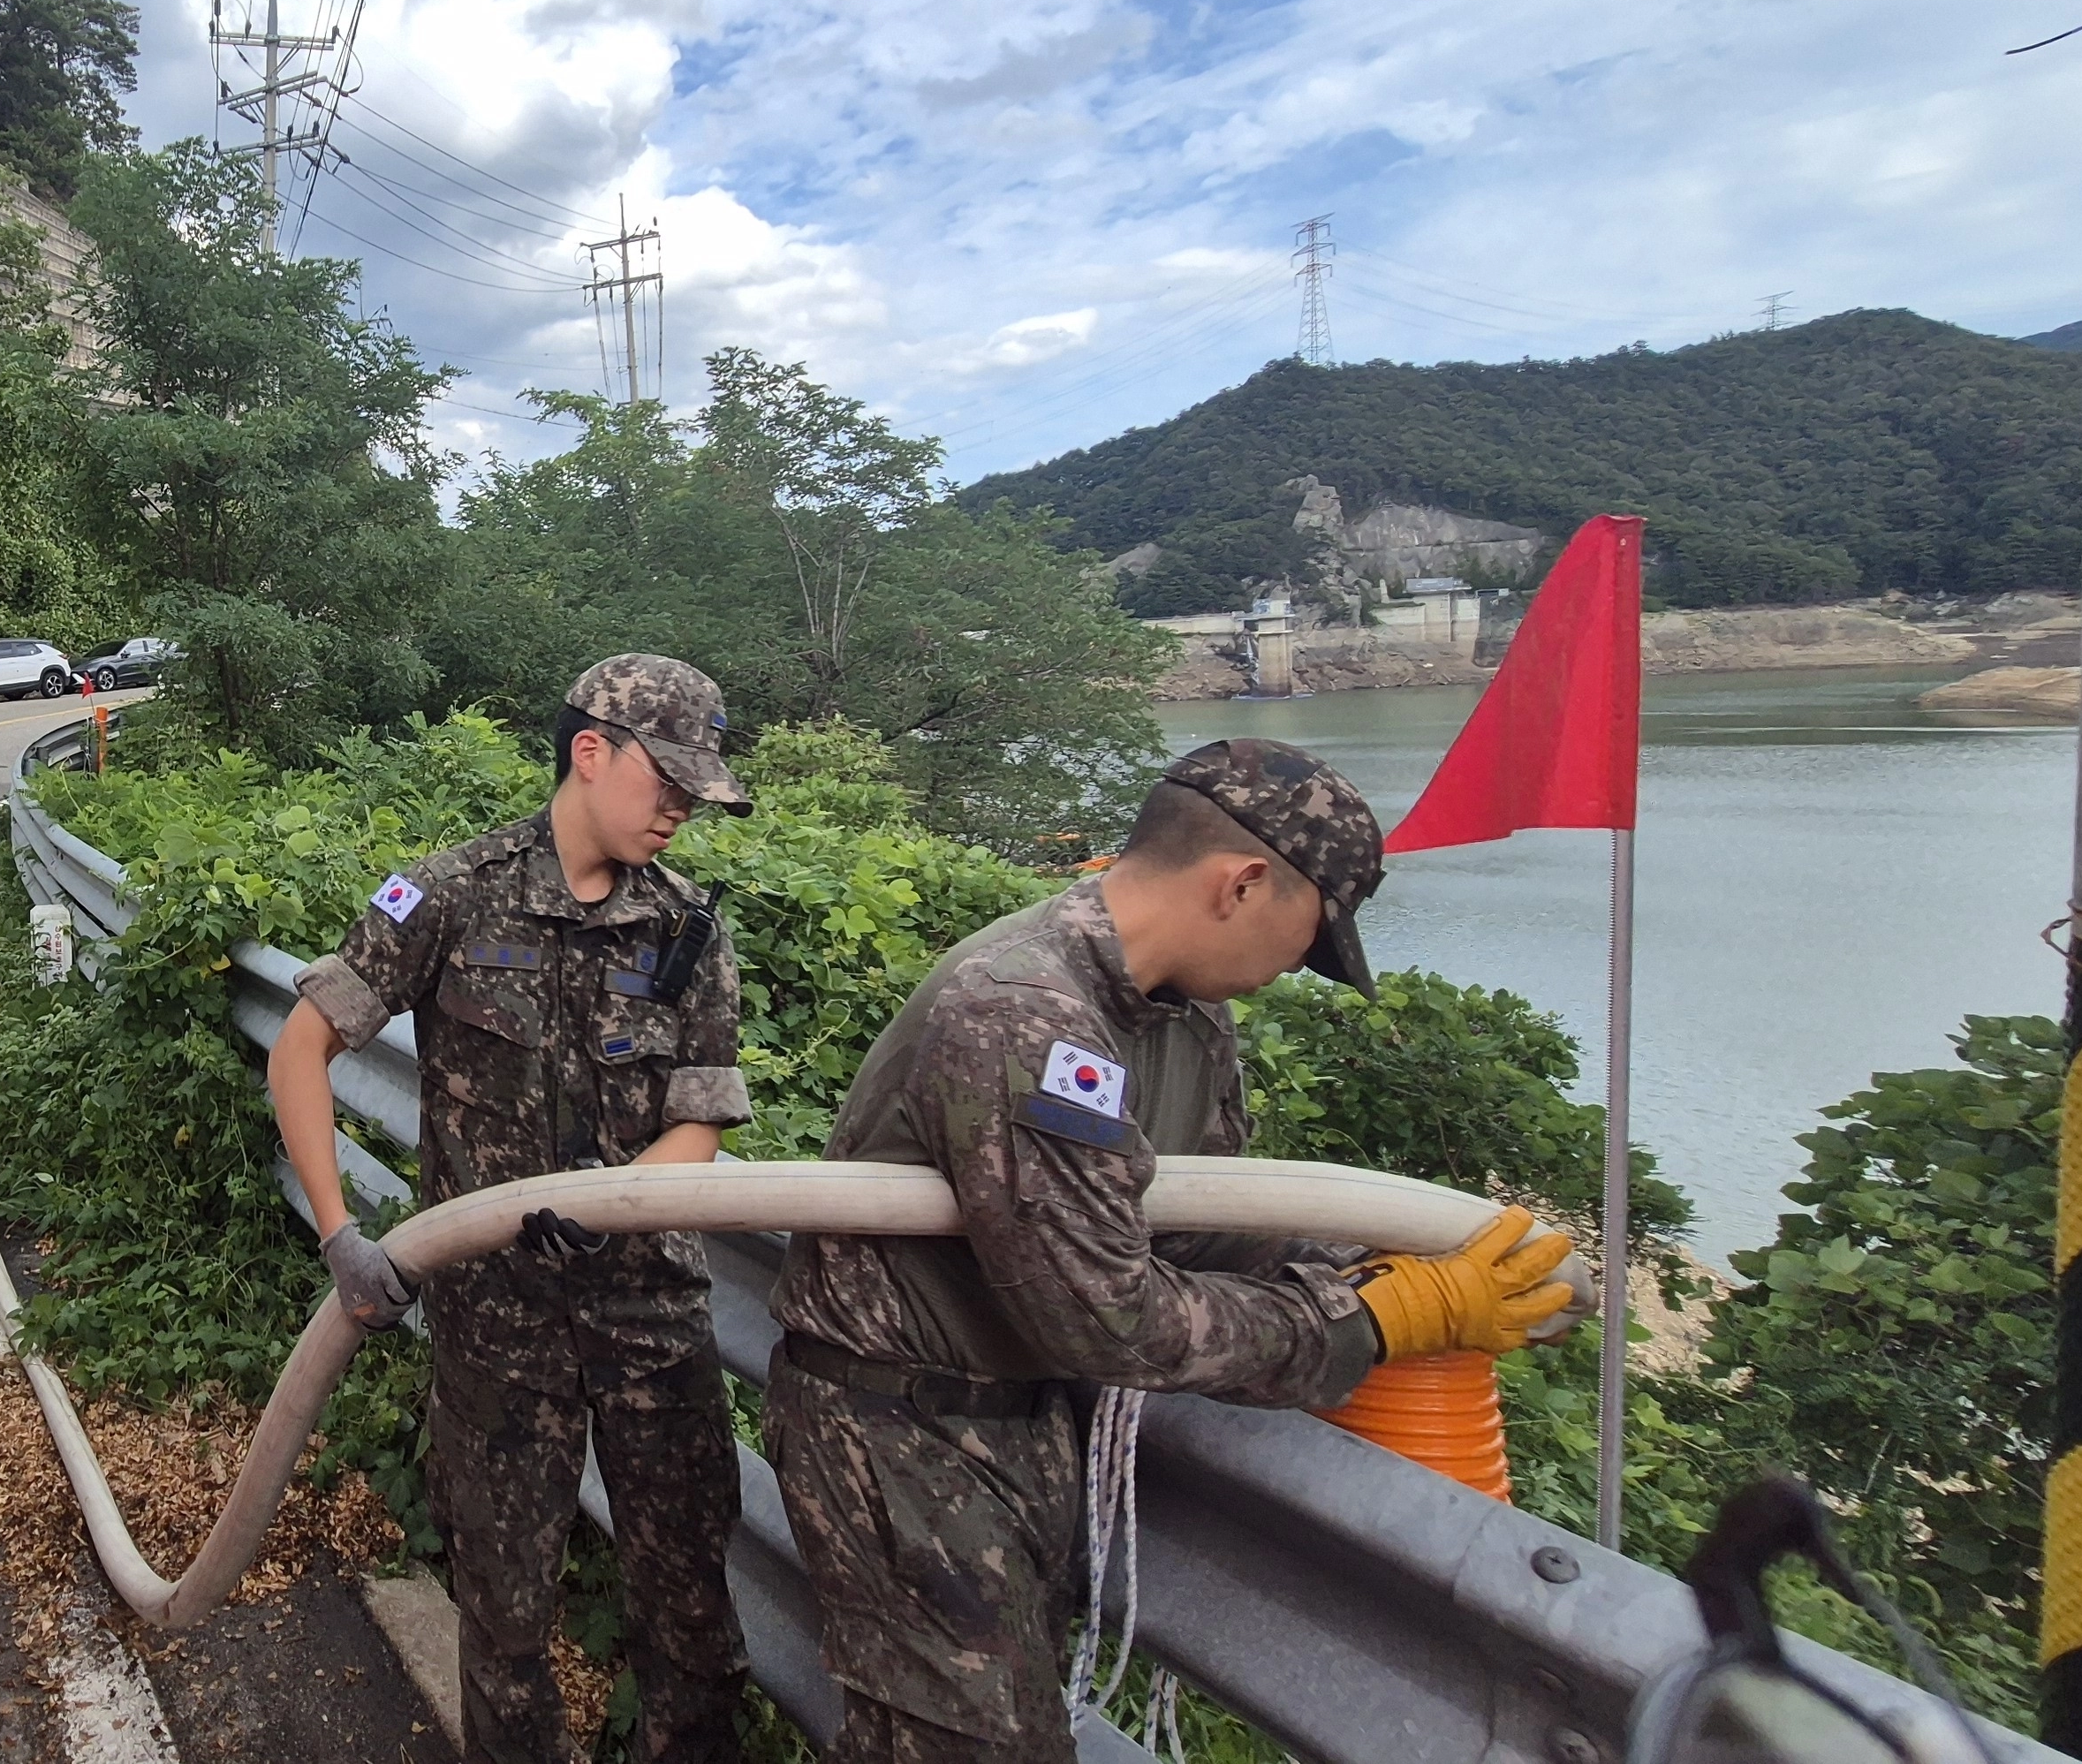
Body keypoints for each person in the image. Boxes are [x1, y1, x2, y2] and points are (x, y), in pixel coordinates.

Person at [763, 738, 1583, 1764]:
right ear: (1241, 883)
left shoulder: (1180, 1017)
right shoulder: (1025, 1011)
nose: (1294, 970)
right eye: (1306, 938)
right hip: (898, 1430)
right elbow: (1109, 1314)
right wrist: (1374, 1316)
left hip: (1025, 1422)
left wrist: (1364, 1252)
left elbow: (1191, 1224)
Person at [269, 655, 758, 1764]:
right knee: (505, 1623)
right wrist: (342, 1229)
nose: (682, 810)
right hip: (497, 1331)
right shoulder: (449, 892)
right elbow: (303, 1045)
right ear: (591, 750)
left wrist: (616, 1207)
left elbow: (701, 1122)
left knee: (692, 1624)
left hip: (650, 1322)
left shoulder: (686, 929)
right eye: (666, 782)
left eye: (697, 791)